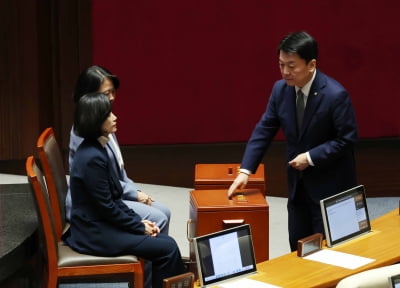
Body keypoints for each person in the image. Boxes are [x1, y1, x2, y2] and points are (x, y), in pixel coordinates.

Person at [227, 31, 358, 251]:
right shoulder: (280, 90)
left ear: (311, 64)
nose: (285, 72)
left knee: (328, 253)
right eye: (281, 65)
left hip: (330, 191)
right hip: (298, 188)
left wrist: (310, 157)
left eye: (291, 66)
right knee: (297, 249)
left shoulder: (335, 95)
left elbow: (347, 139)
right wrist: (246, 170)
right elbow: (265, 128)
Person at [62, 92, 185, 288]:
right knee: (167, 248)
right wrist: (137, 226)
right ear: (96, 120)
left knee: (165, 241)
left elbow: (114, 199)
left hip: (101, 225)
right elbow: (107, 207)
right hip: (94, 234)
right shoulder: (92, 157)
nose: (115, 117)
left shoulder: (97, 148)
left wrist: (138, 222)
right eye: (108, 114)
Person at [65, 65, 171, 235]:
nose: (112, 98)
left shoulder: (104, 123)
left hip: (113, 193)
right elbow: (100, 181)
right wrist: (134, 195)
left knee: (164, 211)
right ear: (90, 96)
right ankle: (151, 258)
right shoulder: (85, 132)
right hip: (94, 204)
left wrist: (135, 191)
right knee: (159, 218)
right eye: (106, 94)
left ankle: (151, 259)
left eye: (113, 92)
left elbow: (119, 171)